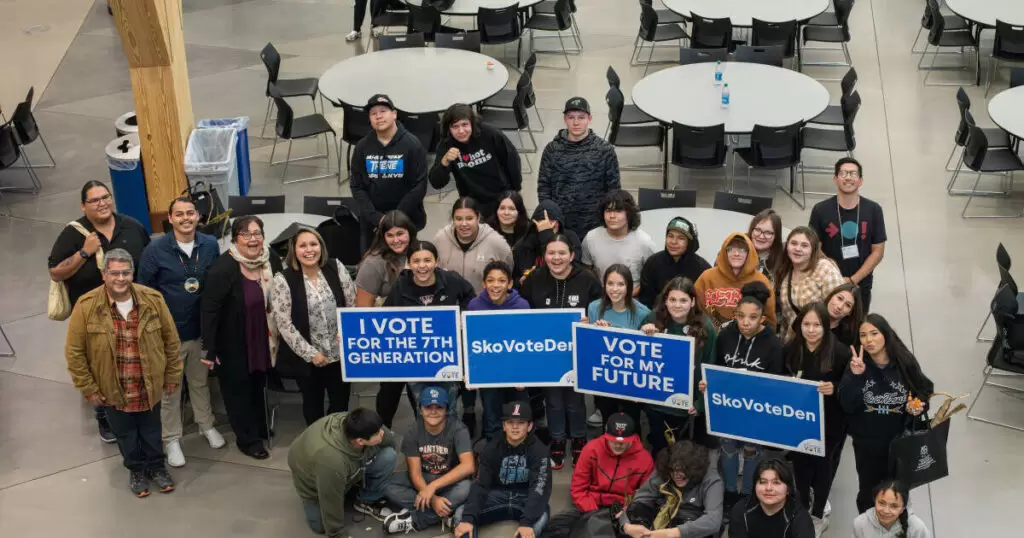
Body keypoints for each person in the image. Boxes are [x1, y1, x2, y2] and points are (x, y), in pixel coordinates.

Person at [64, 248, 182, 497]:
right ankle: (136, 469)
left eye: (126, 272)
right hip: (111, 390)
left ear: (132, 273)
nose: (120, 278)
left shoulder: (153, 300)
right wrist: (88, 388)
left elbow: (171, 341)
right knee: (125, 435)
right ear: (104, 274)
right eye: (114, 273)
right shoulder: (86, 307)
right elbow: (75, 353)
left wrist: (172, 376)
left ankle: (156, 467)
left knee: (151, 431)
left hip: (148, 385)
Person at [49, 180, 150, 443]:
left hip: (132, 311)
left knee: (131, 359)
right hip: (94, 318)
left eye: (105, 197)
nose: (102, 203)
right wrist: (84, 252)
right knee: (101, 366)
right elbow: (55, 272)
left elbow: (148, 260)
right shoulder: (74, 234)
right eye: (94, 200)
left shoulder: (132, 226)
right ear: (84, 206)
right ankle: (104, 414)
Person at [137, 196, 223, 468]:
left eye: (190, 213)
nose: (185, 218)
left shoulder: (209, 245)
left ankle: (206, 425)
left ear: (198, 216)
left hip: (200, 332)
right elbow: (143, 290)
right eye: (179, 214)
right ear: (170, 219)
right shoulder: (155, 250)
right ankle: (172, 438)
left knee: (200, 383)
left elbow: (217, 283)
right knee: (170, 390)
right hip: (168, 336)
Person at [201, 216, 282, 460]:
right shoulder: (223, 268)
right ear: (236, 238)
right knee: (238, 390)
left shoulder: (271, 259)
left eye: (257, 233)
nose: (253, 239)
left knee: (258, 384)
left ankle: (259, 425)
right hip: (234, 341)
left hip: (264, 338)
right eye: (246, 234)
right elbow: (209, 309)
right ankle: (247, 439)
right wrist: (210, 349)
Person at [519, 235, 602, 469]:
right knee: (553, 400)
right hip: (547, 351)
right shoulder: (534, 278)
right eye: (551, 253)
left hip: (578, 350)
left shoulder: (587, 279)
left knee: (576, 400)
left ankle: (578, 439)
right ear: (544, 256)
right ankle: (557, 440)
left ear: (572, 255)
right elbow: (523, 311)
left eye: (562, 253)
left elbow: (599, 309)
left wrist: (591, 321)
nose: (556, 258)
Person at [839, 314, 934, 513]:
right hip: (867, 443)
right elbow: (847, 404)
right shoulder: (856, 364)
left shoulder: (903, 362)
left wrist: (919, 406)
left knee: (897, 491)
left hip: (899, 441)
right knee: (868, 491)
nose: (869, 340)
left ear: (886, 335)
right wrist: (856, 377)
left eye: (874, 333)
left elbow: (924, 389)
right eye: (863, 335)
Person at [704, 282, 783, 512]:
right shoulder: (726, 335)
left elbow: (776, 382)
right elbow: (716, 368)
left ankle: (748, 492)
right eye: (741, 316)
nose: (746, 323)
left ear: (762, 319)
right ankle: (730, 492)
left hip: (756, 409)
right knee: (727, 448)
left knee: (751, 450)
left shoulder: (774, 345)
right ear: (735, 316)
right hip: (729, 406)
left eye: (753, 317)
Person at [377, 241, 474, 427]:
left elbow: (471, 297)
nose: (422, 266)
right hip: (415, 359)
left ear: (436, 261)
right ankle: (425, 447)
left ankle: (450, 445)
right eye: (416, 261)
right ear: (409, 263)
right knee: (422, 409)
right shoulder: (400, 286)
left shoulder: (451, 280)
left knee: (449, 406)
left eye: (428, 260)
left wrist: (463, 315)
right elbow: (385, 318)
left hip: (447, 358)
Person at [271, 227, 357, 426]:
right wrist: (311, 354)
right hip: (308, 358)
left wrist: (346, 331)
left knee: (340, 402)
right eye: (302, 245)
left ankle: (336, 437)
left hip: (339, 353)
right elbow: (284, 324)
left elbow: (352, 305)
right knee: (312, 403)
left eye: (313, 244)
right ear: (294, 250)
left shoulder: (337, 267)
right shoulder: (283, 279)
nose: (309, 250)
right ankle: (317, 442)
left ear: (321, 247)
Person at [783, 303, 851, 536]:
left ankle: (819, 513)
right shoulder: (793, 348)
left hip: (830, 423)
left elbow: (852, 388)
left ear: (826, 327)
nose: (811, 330)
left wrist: (836, 388)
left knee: (823, 469)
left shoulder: (841, 352)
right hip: (800, 421)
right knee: (800, 468)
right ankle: (801, 510)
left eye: (817, 325)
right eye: (806, 324)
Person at [287, 408, 399, 538]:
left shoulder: (355, 421)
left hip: (341, 467)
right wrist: (338, 534)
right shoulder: (331, 462)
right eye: (377, 433)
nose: (382, 433)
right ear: (360, 441)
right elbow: (330, 497)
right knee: (321, 526)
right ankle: (316, 498)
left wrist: (389, 442)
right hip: (315, 483)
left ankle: (366, 499)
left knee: (388, 455)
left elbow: (386, 436)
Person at [640, 277, 717, 452]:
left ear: (693, 302)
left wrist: (699, 404)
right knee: (659, 448)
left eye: (683, 300)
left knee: (683, 453)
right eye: (672, 300)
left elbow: (708, 366)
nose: (677, 305)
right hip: (657, 402)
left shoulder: (706, 327)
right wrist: (643, 333)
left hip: (687, 404)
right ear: (665, 300)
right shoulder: (652, 318)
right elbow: (638, 356)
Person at [453, 402, 552, 538]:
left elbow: (539, 488)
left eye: (521, 423)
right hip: (496, 495)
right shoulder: (491, 448)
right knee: (461, 514)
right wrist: (468, 518)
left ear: (530, 426)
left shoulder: (540, 450)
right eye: (510, 422)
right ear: (504, 426)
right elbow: (481, 485)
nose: (515, 427)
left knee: (541, 516)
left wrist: (527, 522)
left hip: (525, 497)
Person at [546, 413, 654, 538]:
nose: (618, 445)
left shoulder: (645, 459)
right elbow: (578, 487)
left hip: (624, 511)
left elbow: (645, 496)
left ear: (633, 438)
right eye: (613, 440)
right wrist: (591, 510)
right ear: (606, 435)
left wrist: (626, 512)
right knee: (555, 529)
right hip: (591, 505)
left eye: (624, 442)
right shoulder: (591, 449)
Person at [383, 386, 475, 533]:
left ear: (446, 410)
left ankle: (415, 519)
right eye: (428, 407)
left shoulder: (458, 429)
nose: (433, 411)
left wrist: (432, 488)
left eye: (438, 407)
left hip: (449, 481)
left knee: (467, 487)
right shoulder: (413, 430)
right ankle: (447, 511)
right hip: (423, 480)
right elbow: (415, 474)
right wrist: (433, 499)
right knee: (386, 484)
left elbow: (469, 466)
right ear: (420, 409)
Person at [350, 94, 428, 252]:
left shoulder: (412, 145)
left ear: (394, 114)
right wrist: (377, 218)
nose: (378, 116)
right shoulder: (362, 147)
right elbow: (357, 186)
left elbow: (419, 185)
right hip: (372, 224)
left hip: (406, 220)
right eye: (373, 113)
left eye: (383, 111)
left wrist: (395, 219)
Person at [809, 158, 886, 312]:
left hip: (861, 284)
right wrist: (834, 273)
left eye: (853, 174)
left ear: (860, 181)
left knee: (856, 327)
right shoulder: (820, 210)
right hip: (828, 282)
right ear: (835, 179)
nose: (848, 177)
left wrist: (853, 280)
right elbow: (814, 248)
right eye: (843, 173)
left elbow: (878, 251)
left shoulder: (873, 210)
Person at [538, 97, 621, 239]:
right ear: (565, 119)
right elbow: (544, 188)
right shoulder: (552, 150)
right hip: (561, 224)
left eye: (581, 117)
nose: (576, 123)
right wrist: (551, 217)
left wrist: (608, 220)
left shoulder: (605, 150)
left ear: (590, 119)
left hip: (595, 225)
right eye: (571, 117)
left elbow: (614, 190)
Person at [467, 261, 531, 439]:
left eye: (501, 280)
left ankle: (520, 445)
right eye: (491, 280)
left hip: (514, 370)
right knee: (491, 410)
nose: (496, 285)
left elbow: (528, 342)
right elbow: (471, 341)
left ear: (510, 284)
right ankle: (493, 445)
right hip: (489, 371)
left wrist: (525, 373)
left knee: (518, 409)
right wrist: (472, 372)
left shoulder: (522, 306)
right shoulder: (474, 305)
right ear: (483, 283)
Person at [430, 104, 522, 219]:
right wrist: (444, 163)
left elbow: (512, 160)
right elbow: (436, 183)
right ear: (448, 128)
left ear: (472, 123)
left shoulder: (491, 134)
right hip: (473, 203)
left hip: (501, 195)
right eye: (455, 126)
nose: (461, 131)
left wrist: (515, 192)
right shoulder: (446, 145)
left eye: (465, 124)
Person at [587, 264, 651, 430]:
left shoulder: (643, 313)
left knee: (632, 422)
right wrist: (597, 331)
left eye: (621, 284)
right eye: (610, 283)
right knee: (608, 421)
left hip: (631, 380)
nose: (615, 289)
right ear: (604, 285)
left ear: (629, 287)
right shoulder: (594, 307)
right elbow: (591, 346)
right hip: (605, 377)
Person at [623, 440, 723, 538]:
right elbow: (637, 502)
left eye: (682, 471)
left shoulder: (711, 480)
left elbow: (713, 520)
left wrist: (672, 533)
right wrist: (627, 526)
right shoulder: (664, 472)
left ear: (694, 469)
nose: (676, 476)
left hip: (692, 526)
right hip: (662, 519)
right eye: (673, 470)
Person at [774, 227, 844, 343]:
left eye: (804, 245)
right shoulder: (785, 275)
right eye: (794, 243)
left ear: (813, 249)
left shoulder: (824, 269)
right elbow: (787, 319)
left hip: (820, 343)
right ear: (787, 246)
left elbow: (838, 310)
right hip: (795, 344)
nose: (798, 249)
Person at [694, 233, 777, 329]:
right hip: (710, 338)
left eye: (742, 250)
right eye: (731, 249)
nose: (736, 254)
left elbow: (769, 321)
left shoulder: (761, 281)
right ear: (724, 252)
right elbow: (694, 311)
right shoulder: (707, 277)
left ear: (749, 253)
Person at [434, 197, 514, 295]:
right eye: (458, 219)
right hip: (450, 303)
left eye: (469, 218)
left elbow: (508, 274)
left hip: (483, 305)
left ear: (478, 218)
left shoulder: (497, 243)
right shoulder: (440, 239)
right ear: (453, 219)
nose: (464, 224)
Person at [581, 189, 657, 288]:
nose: (612, 216)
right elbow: (586, 270)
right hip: (602, 299)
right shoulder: (591, 238)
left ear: (629, 213)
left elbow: (653, 278)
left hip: (633, 300)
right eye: (608, 211)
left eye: (618, 211)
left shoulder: (645, 242)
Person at [728, 458, 815, 538]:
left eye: (776, 482)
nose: (768, 488)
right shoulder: (741, 511)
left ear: (788, 488)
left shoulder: (800, 519)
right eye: (763, 482)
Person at [637, 217, 711, 309]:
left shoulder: (702, 268)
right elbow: (646, 299)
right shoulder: (653, 263)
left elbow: (706, 303)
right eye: (670, 236)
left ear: (689, 243)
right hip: (659, 316)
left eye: (681, 238)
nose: (673, 242)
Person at [355, 210, 417, 307]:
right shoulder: (372, 264)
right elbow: (362, 310)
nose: (396, 240)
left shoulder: (421, 254)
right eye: (390, 235)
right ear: (383, 237)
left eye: (400, 234)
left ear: (410, 232)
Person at [512, 200, 582, 284]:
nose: (548, 223)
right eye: (543, 219)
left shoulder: (570, 238)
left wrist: (546, 235)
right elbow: (512, 279)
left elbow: (575, 271)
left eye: (552, 219)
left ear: (559, 222)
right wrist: (520, 282)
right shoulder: (523, 245)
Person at [852, 480, 932, 538]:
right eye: (881, 503)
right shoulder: (860, 524)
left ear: (902, 509)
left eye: (894, 506)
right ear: (875, 501)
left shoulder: (917, 528)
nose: (886, 511)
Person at [748, 209, 784, 285]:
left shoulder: (783, 259)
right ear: (751, 230)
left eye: (768, 233)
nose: (761, 236)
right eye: (758, 230)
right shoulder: (735, 248)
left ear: (776, 236)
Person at [825, 282, 865, 348]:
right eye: (839, 298)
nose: (840, 306)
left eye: (848, 305)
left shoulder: (848, 337)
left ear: (850, 312)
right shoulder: (810, 316)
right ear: (831, 296)